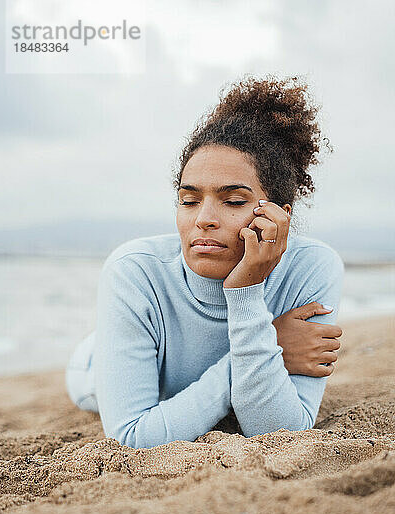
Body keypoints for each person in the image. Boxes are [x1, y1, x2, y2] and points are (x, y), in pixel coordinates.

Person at [65, 74, 344, 449]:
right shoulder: (134, 271)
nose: (204, 219)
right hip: (93, 367)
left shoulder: (311, 268)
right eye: (189, 199)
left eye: (233, 201)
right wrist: (271, 341)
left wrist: (245, 292)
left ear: (280, 216)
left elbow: (281, 435)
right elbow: (131, 438)